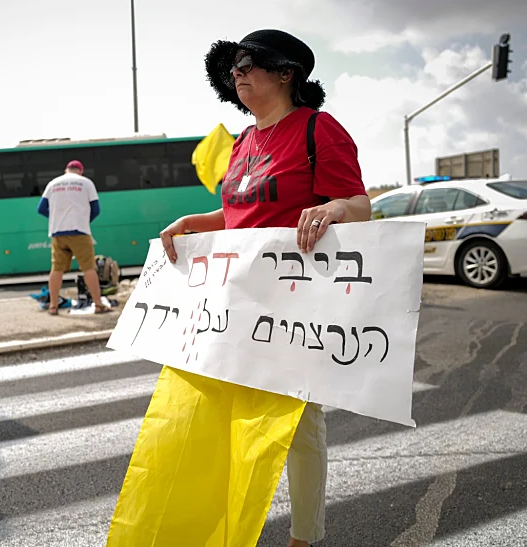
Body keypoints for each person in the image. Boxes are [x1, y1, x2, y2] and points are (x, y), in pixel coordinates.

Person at [160, 29, 370, 547]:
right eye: (233, 67)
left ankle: (304, 537)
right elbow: (238, 215)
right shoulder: (243, 141)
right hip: (234, 302)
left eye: (248, 63)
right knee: (221, 419)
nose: (238, 73)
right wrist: (197, 220)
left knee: (297, 422)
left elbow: (360, 205)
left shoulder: (318, 130)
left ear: (285, 73)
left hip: (293, 303)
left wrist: (332, 208)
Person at [37, 160, 110, 315]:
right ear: (80, 171)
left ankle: (53, 306)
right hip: (79, 231)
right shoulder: (86, 183)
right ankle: (98, 305)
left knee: (56, 269)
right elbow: (96, 209)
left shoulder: (53, 183)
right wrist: (84, 220)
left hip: (58, 233)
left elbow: (41, 208)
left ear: (66, 170)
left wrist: (56, 218)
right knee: (88, 268)